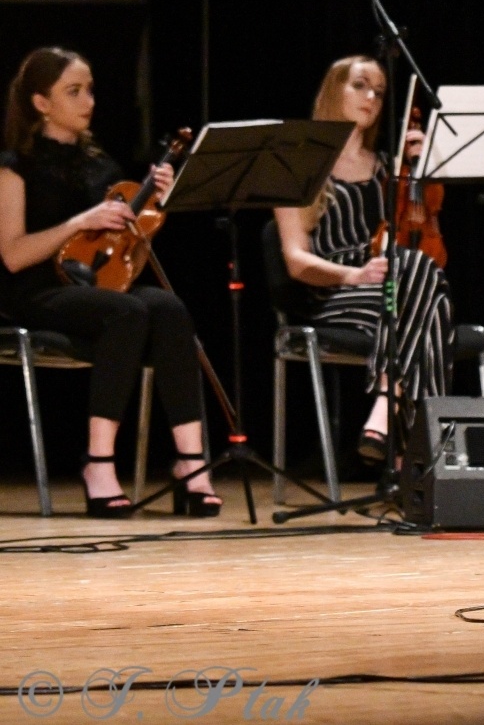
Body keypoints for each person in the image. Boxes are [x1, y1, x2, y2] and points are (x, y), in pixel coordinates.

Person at [0, 47, 221, 518]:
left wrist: (150, 215)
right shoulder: (14, 167)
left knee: (168, 307)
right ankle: (98, 463)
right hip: (35, 290)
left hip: (93, 289)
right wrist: (80, 220)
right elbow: (13, 255)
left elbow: (124, 262)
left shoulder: (103, 168)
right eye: (74, 91)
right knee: (127, 311)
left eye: (90, 90)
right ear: (41, 102)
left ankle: (190, 462)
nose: (88, 101)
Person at [274, 56, 453, 462]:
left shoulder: (390, 169)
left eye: (379, 90)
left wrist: (423, 167)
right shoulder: (296, 166)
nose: (371, 97)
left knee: (420, 275)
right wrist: (355, 275)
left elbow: (424, 232)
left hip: (395, 288)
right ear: (333, 89)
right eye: (359, 85)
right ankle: (421, 459)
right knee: (435, 304)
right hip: (336, 291)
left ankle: (389, 407)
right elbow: (296, 261)